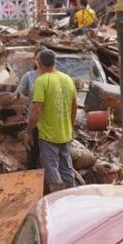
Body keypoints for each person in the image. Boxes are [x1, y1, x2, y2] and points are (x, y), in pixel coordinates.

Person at [26, 49, 78, 192]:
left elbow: (36, 111)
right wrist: (70, 126)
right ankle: (71, 197)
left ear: (40, 63)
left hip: (48, 134)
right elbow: (74, 107)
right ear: (55, 62)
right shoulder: (68, 79)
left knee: (52, 169)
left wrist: (29, 131)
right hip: (65, 133)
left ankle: (57, 200)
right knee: (67, 168)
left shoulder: (41, 81)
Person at [15, 47, 44, 169]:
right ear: (34, 60)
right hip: (34, 121)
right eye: (37, 59)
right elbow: (17, 94)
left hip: (51, 121)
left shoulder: (55, 77)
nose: (39, 62)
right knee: (33, 155)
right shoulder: (29, 76)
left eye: (42, 59)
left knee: (51, 156)